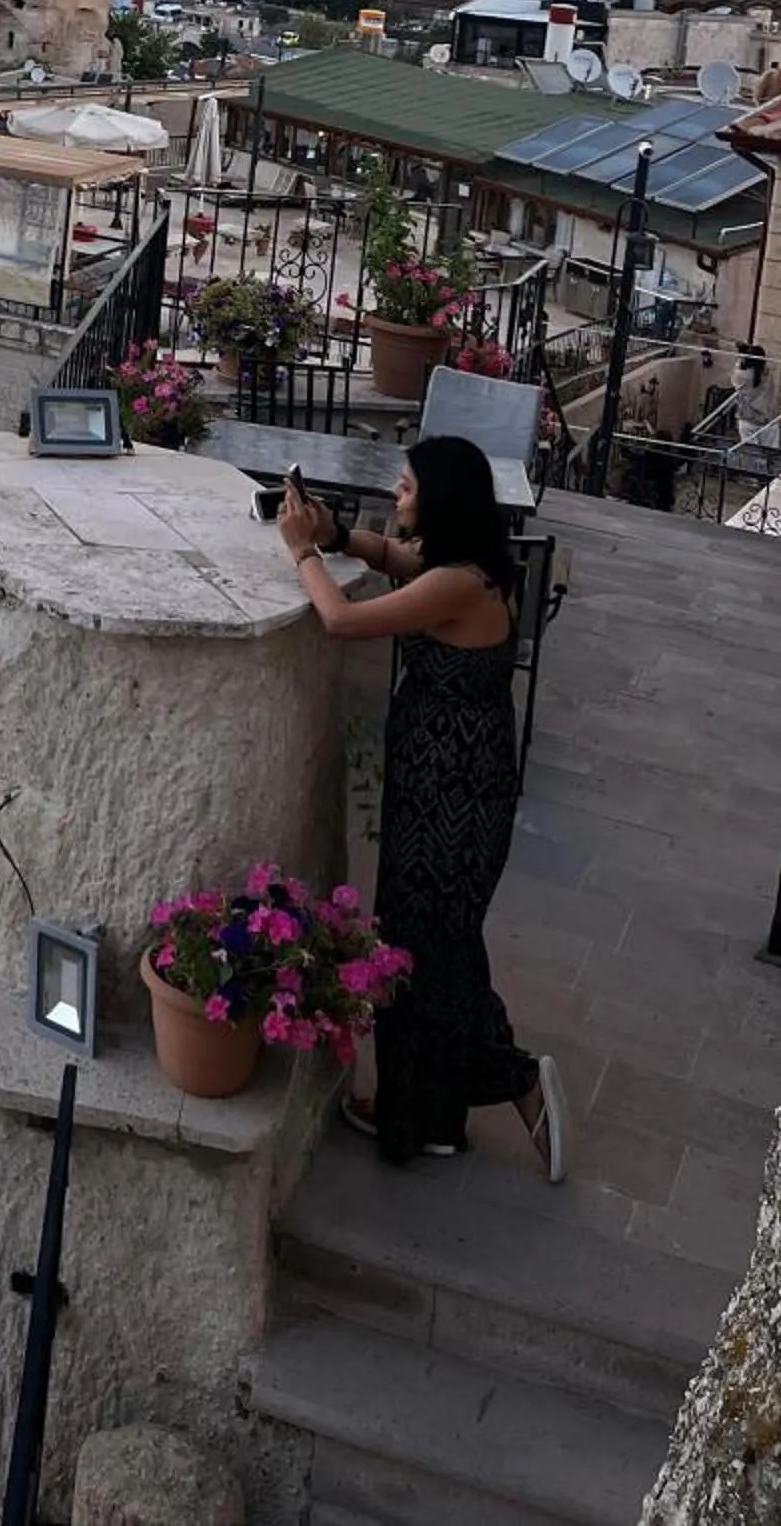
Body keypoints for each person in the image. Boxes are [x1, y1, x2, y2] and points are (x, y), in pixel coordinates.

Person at [278, 434, 569, 1179]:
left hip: (452, 804)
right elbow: (392, 558)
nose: (398, 498)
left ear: (440, 500)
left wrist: (303, 553)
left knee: (423, 953)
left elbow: (341, 621)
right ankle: (430, 1118)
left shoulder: (461, 585)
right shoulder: (468, 569)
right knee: (431, 950)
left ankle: (512, 1077)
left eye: (406, 488)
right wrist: (338, 533)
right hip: (443, 794)